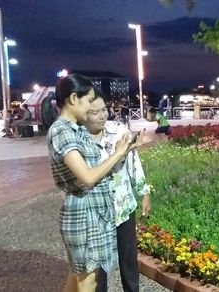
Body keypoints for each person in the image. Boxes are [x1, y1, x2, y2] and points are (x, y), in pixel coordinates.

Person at [45, 74, 139, 292]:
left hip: (92, 212)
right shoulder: (62, 131)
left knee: (77, 278)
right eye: (88, 102)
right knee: (88, 282)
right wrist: (118, 153)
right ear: (73, 99)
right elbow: (86, 176)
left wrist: (125, 151)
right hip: (84, 214)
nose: (90, 108)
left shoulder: (75, 129)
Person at [82, 90, 151, 292]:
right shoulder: (78, 138)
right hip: (96, 210)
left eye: (104, 110)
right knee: (98, 263)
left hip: (123, 205)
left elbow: (133, 163)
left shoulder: (119, 131)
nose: (103, 115)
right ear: (84, 114)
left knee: (128, 257)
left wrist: (144, 192)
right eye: (95, 112)